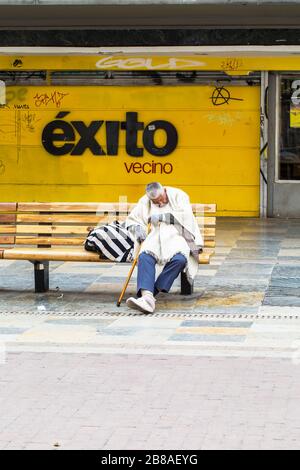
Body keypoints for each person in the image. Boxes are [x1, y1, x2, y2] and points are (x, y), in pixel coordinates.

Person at [125, 182, 203, 313]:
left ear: (164, 191)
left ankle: (149, 295)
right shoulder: (145, 201)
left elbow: (186, 217)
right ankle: (147, 298)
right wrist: (137, 228)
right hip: (155, 235)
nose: (160, 204)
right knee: (144, 257)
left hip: (178, 234)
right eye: (156, 202)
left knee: (180, 260)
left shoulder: (179, 195)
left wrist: (164, 217)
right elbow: (133, 219)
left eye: (162, 200)